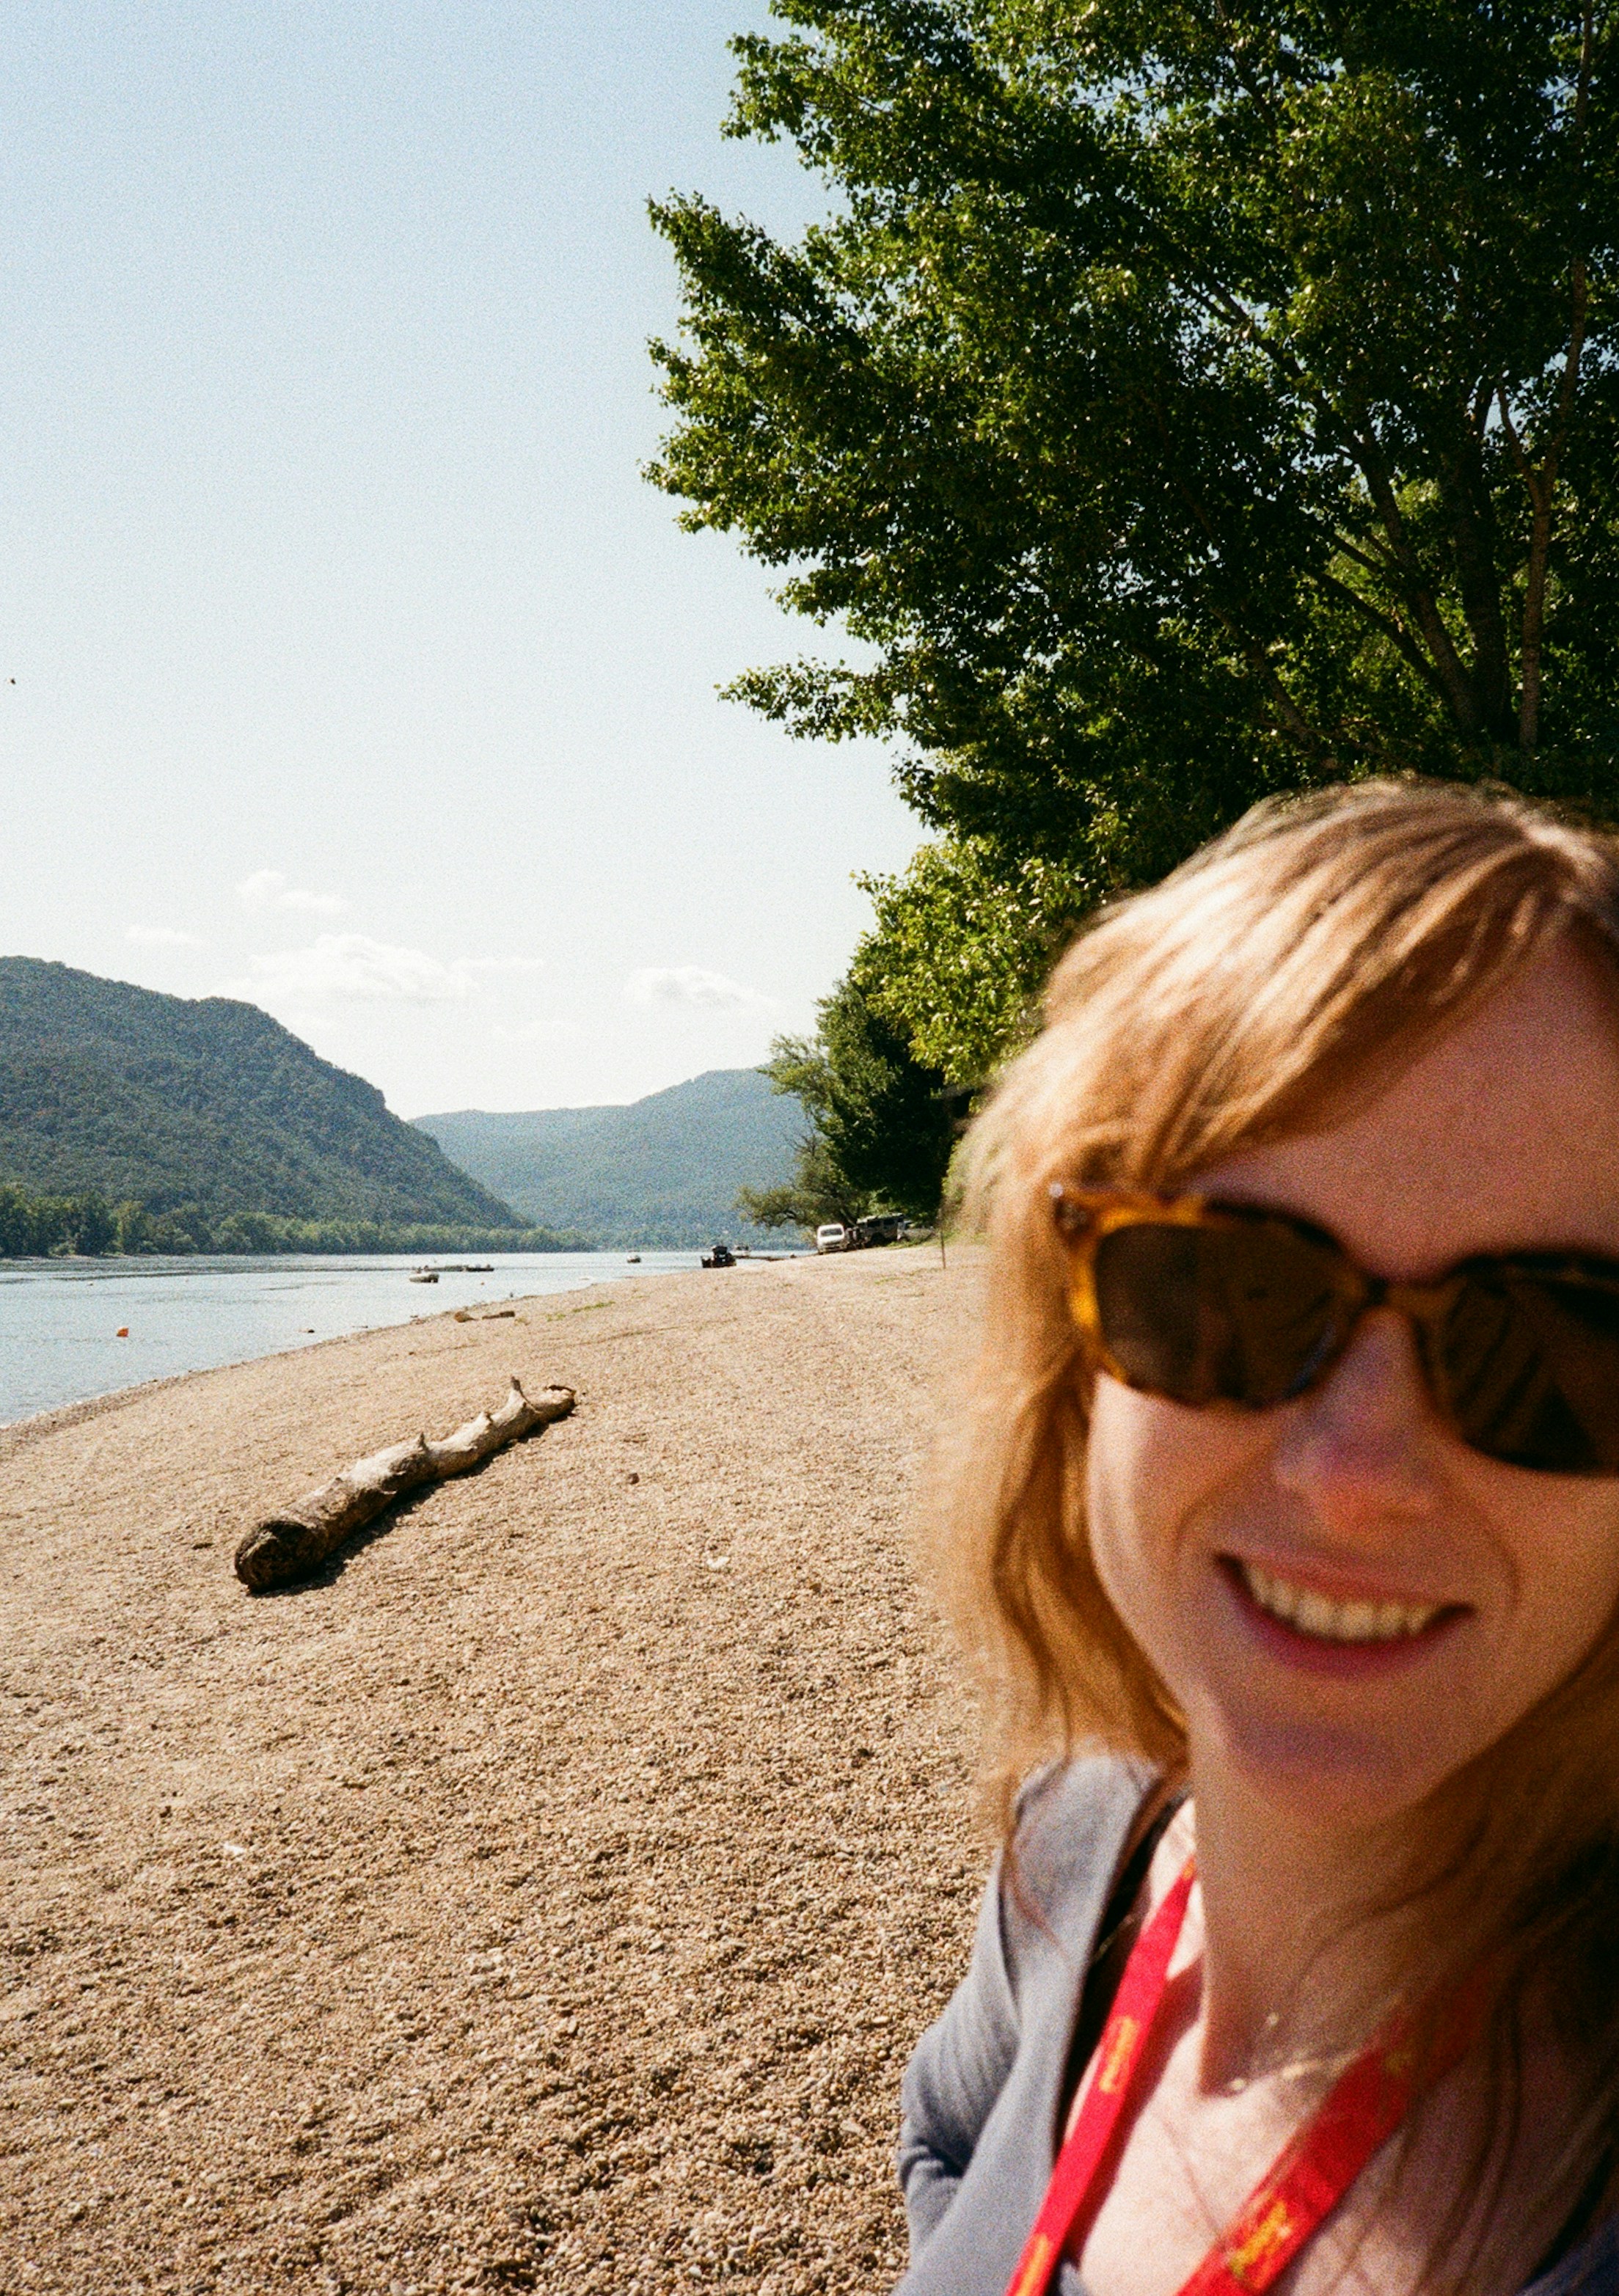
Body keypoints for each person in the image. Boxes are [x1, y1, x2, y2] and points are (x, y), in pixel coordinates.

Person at [897, 780, 1619, 2296]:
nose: (1358, 1469)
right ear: (1068, 1350)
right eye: (1230, 1292)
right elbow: (953, 2136)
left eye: (1556, 1339)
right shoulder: (1080, 1844)